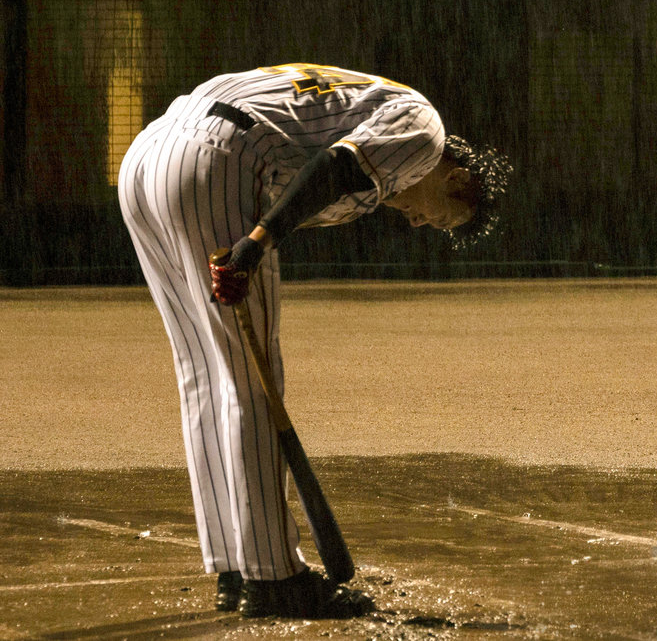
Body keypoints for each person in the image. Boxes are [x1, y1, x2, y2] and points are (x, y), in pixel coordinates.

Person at [117, 63, 511, 619]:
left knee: (205, 373)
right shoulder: (425, 132)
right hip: (218, 157)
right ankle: (275, 577)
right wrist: (257, 242)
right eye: (441, 218)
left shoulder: (376, 139)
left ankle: (236, 566)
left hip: (148, 157)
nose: (421, 224)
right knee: (252, 386)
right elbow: (335, 166)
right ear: (457, 180)